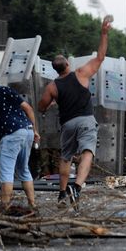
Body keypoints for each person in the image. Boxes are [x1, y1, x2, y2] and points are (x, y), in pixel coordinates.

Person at [38, 18, 110, 205]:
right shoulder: (81, 73)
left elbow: (41, 107)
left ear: (55, 70)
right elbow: (100, 57)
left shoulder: (52, 87)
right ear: (68, 65)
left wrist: (54, 101)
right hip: (86, 120)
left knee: (66, 157)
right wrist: (103, 33)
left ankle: (62, 193)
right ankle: (77, 187)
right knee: (87, 152)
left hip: (68, 123)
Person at [0, 67, 39, 210]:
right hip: (27, 130)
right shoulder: (6, 90)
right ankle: (33, 205)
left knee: (7, 173)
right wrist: (34, 130)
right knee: (24, 170)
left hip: (11, 134)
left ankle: (5, 209)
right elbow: (28, 108)